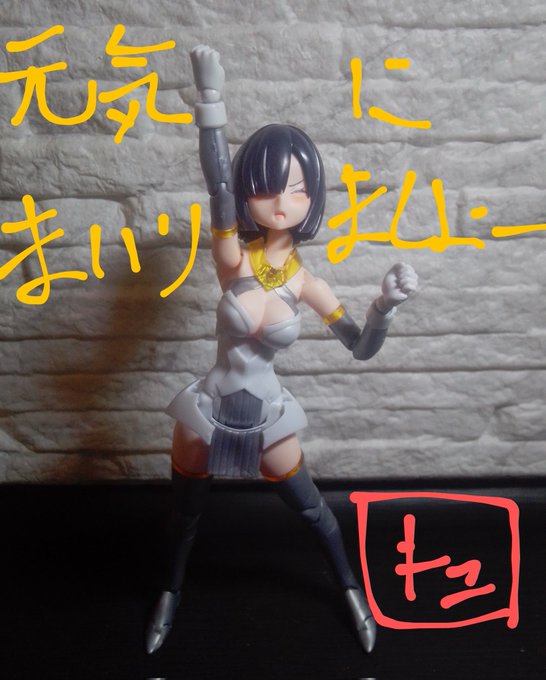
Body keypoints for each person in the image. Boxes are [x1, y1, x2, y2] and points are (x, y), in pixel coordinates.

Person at [146, 45, 418, 655]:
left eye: (295, 189)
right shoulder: (232, 259)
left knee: (313, 511)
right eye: (267, 187)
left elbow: (360, 348)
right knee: (184, 515)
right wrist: (210, 99)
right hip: (208, 409)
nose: (280, 202)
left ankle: (350, 589)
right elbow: (218, 184)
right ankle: (169, 590)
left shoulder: (308, 285)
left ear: (311, 196)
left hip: (268, 416)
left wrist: (383, 307)